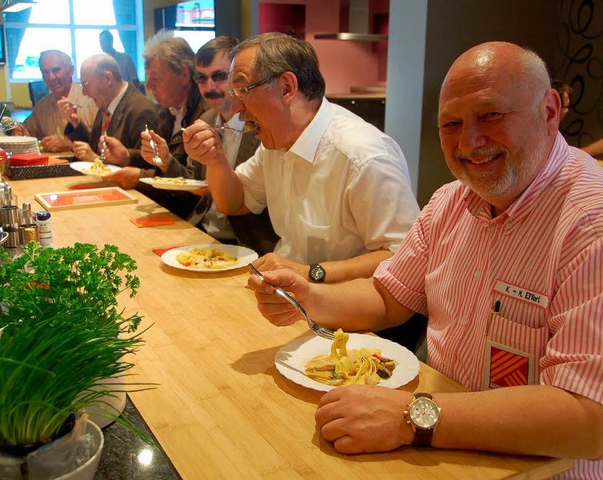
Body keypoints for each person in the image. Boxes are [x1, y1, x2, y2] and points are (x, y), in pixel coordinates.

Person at [247, 42, 603, 477]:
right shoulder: (451, 202)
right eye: (451, 124)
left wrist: (411, 416)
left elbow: (590, 417)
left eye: (490, 115)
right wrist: (308, 297)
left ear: (549, 111)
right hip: (441, 450)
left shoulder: (591, 223)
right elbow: (387, 296)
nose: (469, 141)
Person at [183, 32, 419, 283]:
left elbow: (403, 256)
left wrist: (309, 273)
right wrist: (215, 160)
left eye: (242, 90)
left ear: (287, 88)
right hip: (284, 294)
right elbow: (235, 201)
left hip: (343, 311)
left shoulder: (363, 156)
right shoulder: (275, 145)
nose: (237, 110)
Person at [138, 35, 279, 254]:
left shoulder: (265, 126)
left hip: (246, 241)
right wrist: (166, 159)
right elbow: (196, 184)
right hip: (202, 229)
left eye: (219, 77)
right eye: (202, 79)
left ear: (239, 78)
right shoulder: (206, 120)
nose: (209, 87)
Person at [101, 33, 208, 219]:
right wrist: (128, 156)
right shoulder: (166, 112)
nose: (149, 86)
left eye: (155, 78)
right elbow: (159, 164)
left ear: (184, 75)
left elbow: (194, 188)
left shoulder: (205, 117)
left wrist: (140, 178)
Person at [64, 54, 158, 162]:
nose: (84, 92)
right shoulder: (105, 103)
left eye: (86, 84)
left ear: (108, 78)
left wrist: (96, 160)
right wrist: (75, 124)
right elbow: (93, 147)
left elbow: (148, 163)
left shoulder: (141, 110)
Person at [12, 50, 97, 152]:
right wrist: (24, 136)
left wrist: (70, 145)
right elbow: (29, 134)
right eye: (45, 72)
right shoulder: (42, 107)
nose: (51, 77)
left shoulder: (92, 100)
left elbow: (101, 145)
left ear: (71, 71)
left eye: (56, 70)